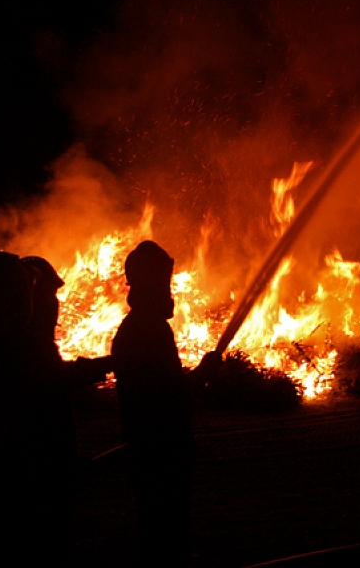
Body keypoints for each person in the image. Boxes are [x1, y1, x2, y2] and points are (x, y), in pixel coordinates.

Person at [0, 251, 111, 566]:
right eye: (28, 295)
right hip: (19, 508)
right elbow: (44, 391)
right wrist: (56, 472)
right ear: (9, 305)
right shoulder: (8, 363)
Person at [111, 240, 222, 565]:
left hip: (149, 450)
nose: (169, 290)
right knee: (164, 539)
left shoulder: (141, 328)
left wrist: (201, 374)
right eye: (163, 283)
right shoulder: (149, 331)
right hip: (160, 453)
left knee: (159, 533)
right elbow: (168, 403)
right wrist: (203, 374)